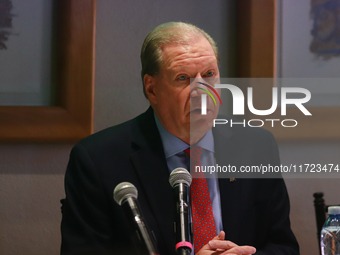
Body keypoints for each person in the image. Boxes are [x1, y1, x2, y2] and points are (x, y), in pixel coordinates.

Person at [60, 22, 299, 255]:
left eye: (209, 74)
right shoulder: (98, 160)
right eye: (183, 78)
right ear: (151, 89)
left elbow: (284, 246)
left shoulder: (256, 145)